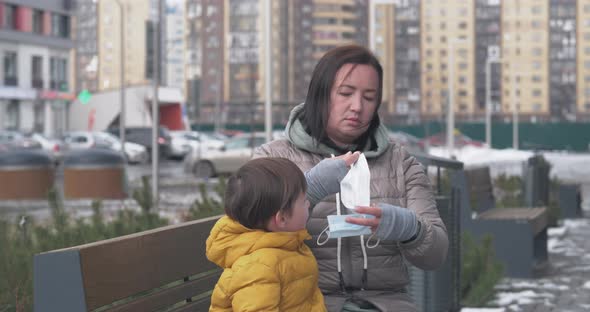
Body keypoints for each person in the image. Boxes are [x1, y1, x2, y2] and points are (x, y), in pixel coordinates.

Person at [254, 45, 449, 311]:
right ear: (320, 95)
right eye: (345, 93)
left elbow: (435, 255)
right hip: (302, 301)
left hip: (386, 303)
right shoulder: (273, 159)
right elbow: (249, 235)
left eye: (369, 97)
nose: (357, 106)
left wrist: (408, 228)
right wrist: (309, 189)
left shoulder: (400, 163)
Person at [206, 154, 359, 311]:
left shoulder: (284, 245)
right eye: (304, 200)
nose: (309, 204)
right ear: (282, 218)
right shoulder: (259, 268)